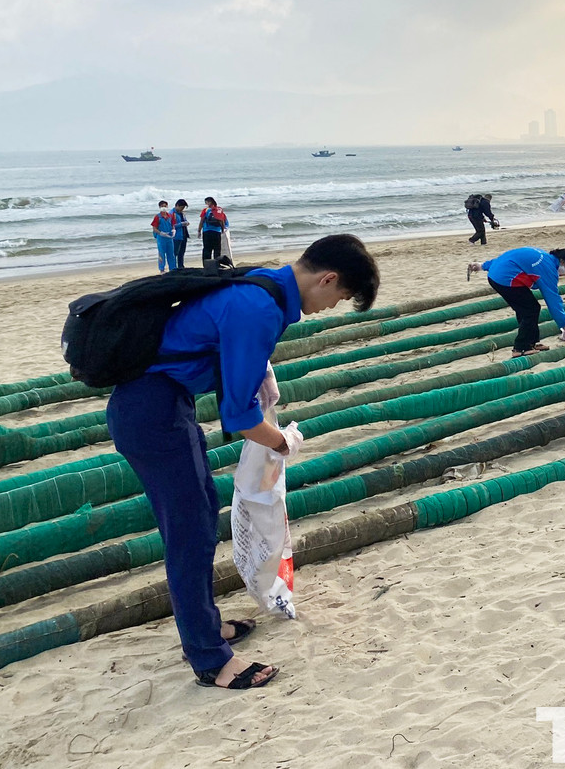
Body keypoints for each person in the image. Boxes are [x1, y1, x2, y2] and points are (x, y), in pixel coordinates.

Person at [106, 234, 379, 690]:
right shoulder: (260, 308)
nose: (334, 305)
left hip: (160, 404)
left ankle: (206, 630)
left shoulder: (262, 283)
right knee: (189, 534)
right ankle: (211, 660)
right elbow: (238, 417)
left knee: (194, 521)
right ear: (327, 278)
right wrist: (283, 443)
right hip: (151, 412)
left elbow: (223, 355)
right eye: (341, 296)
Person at [469, 247, 565, 357]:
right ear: (562, 261)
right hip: (505, 279)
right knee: (530, 309)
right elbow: (553, 300)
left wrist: (483, 266)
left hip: (498, 275)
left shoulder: (543, 255)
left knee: (526, 308)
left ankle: (532, 342)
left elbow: (510, 256)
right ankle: (521, 347)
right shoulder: (548, 268)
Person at [198, 197, 229, 264]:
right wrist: (223, 230)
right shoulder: (219, 210)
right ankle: (217, 265)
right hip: (217, 232)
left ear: (209, 202)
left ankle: (206, 265)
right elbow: (222, 220)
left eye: (206, 202)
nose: (206, 204)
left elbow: (202, 221)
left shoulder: (205, 210)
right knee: (217, 249)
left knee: (207, 249)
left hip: (207, 232)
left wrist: (199, 231)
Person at [151, 201, 178, 272]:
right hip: (161, 238)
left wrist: (173, 230)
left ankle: (173, 269)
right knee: (161, 254)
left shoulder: (170, 216)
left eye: (165, 206)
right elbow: (154, 228)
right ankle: (162, 269)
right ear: (159, 207)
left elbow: (173, 225)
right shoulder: (157, 217)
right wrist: (161, 233)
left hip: (169, 237)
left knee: (171, 254)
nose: (164, 208)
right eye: (162, 206)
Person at [172, 199, 191, 269]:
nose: (182, 209)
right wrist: (181, 224)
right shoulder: (172, 214)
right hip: (176, 236)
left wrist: (186, 222)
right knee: (175, 253)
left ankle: (181, 266)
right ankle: (173, 267)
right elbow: (172, 225)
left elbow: (184, 220)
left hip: (184, 234)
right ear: (177, 206)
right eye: (181, 208)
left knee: (182, 252)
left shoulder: (182, 213)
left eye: (183, 208)